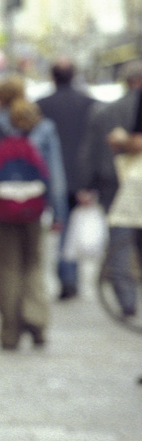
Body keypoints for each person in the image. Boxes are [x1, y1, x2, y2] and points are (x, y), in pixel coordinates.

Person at [0, 75, 68, 350]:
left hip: (0, 206)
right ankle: (36, 321)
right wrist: (59, 212)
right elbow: (54, 174)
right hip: (34, 206)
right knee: (33, 262)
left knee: (7, 266)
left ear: (0, 97)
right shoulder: (43, 127)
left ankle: (9, 331)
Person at [80, 58, 142, 319]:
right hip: (126, 183)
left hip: (113, 185)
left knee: (119, 240)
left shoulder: (104, 112)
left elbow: (90, 152)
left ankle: (127, 300)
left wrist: (86, 186)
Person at [36, 57, 96, 300]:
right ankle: (69, 276)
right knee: (69, 227)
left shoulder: (41, 105)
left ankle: (67, 276)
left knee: (61, 227)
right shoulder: (90, 104)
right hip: (80, 176)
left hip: (49, 176)